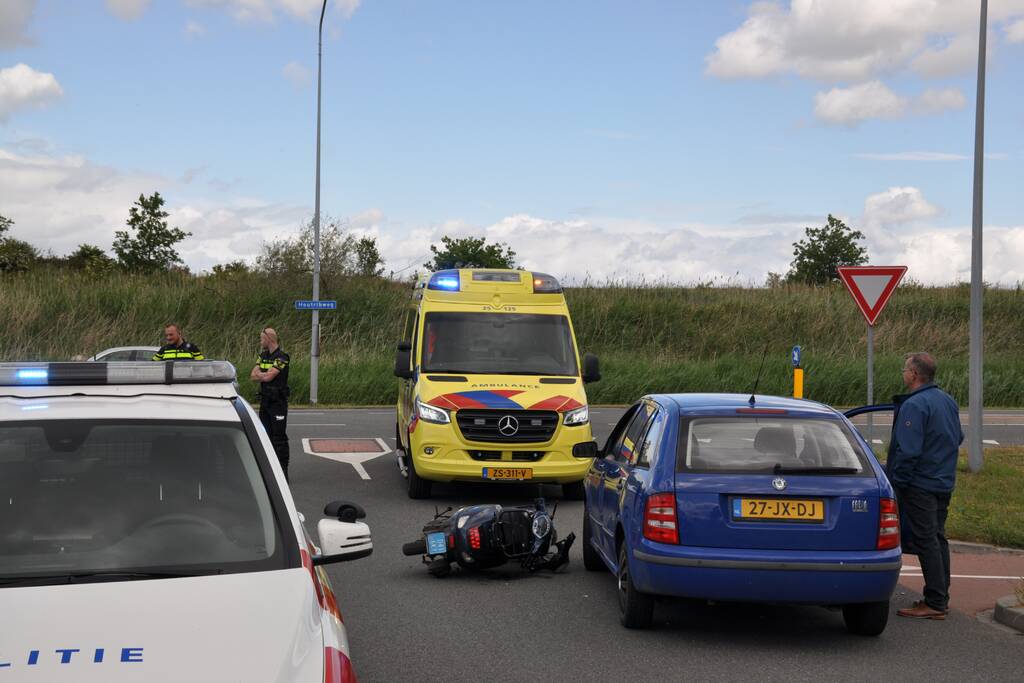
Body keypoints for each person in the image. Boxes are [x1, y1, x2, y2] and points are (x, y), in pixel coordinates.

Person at [887, 352, 964, 620]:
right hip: (943, 480)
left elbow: (908, 451)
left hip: (920, 483)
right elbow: (958, 437)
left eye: (905, 369)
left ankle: (934, 601)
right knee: (937, 537)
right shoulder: (947, 401)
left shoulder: (915, 405)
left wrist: (899, 481)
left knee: (925, 539)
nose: (903, 372)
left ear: (915, 374)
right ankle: (941, 596)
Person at [250, 327, 291, 479]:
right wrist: (264, 374)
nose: (260, 341)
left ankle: (283, 471)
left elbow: (267, 377)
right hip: (265, 402)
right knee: (265, 436)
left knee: (279, 438)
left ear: (269, 339)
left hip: (278, 403)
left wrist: (262, 374)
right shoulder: (263, 356)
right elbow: (252, 376)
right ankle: (270, 471)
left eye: (262, 338)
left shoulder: (282, 357)